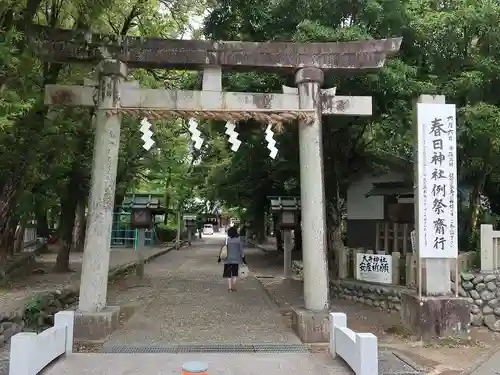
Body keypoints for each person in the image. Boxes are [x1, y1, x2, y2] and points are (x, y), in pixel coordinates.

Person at [218, 226, 246, 292]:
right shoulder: (239, 240)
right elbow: (241, 250)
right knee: (235, 273)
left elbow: (223, 249)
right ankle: (234, 285)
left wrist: (219, 257)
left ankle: (230, 288)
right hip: (236, 260)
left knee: (228, 274)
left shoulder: (227, 240)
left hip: (227, 259)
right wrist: (244, 259)